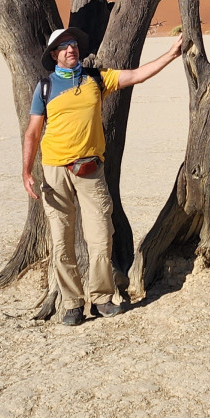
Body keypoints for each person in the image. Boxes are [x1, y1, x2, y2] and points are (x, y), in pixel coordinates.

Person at [23, 25, 183, 326]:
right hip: (55, 171)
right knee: (61, 239)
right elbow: (32, 132)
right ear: (54, 54)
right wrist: (26, 171)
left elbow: (136, 75)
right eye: (64, 45)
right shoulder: (45, 86)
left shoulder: (96, 78)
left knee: (100, 237)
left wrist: (171, 54)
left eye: (74, 43)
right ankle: (71, 303)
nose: (71, 48)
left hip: (90, 170)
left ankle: (101, 298)